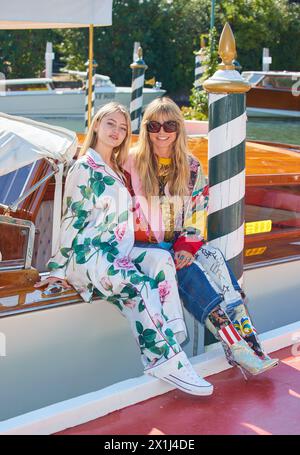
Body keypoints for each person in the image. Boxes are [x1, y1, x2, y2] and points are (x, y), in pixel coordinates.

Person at [34, 102, 213, 396]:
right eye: (110, 124)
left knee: (161, 260)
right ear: (95, 125)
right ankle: (164, 359)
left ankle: (172, 333)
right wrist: (58, 268)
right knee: (140, 284)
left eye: (122, 127)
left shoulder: (116, 167)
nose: (116, 131)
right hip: (89, 253)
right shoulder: (85, 167)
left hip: (117, 250)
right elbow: (72, 219)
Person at [123, 97, 279, 377]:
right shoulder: (131, 164)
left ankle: (251, 340)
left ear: (178, 129)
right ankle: (235, 347)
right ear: (145, 128)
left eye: (169, 124)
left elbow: (197, 211)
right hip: (144, 248)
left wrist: (187, 246)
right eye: (154, 125)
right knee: (190, 274)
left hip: (176, 243)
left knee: (214, 257)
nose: (162, 132)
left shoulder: (190, 167)